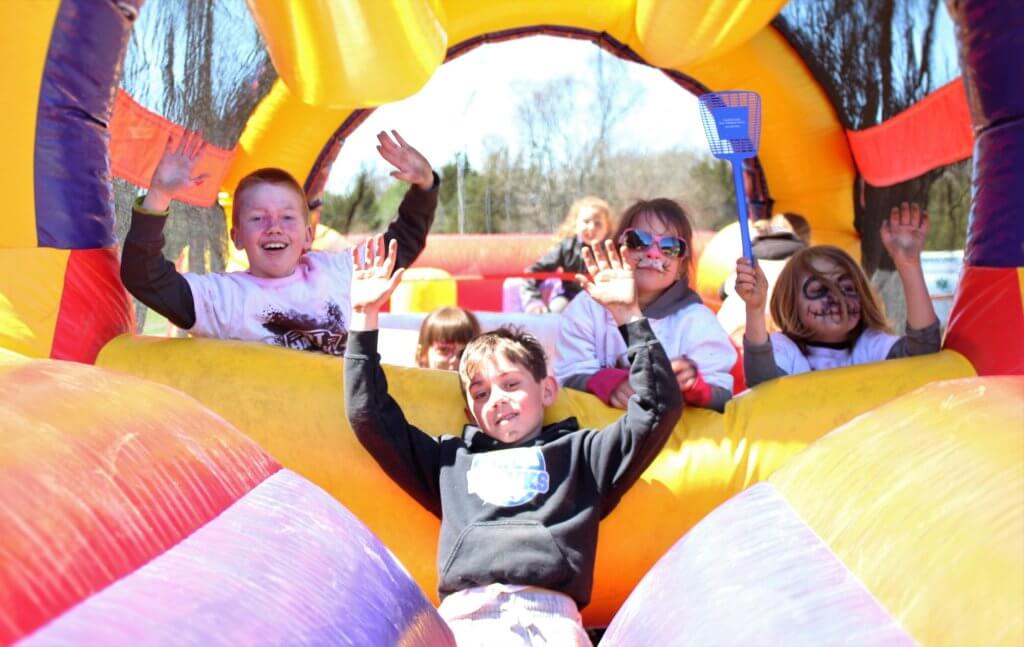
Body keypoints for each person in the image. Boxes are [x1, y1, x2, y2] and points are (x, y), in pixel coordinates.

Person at [344, 234, 682, 645]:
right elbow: (370, 417)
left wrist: (628, 313)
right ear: (470, 413)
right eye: (482, 393)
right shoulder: (449, 462)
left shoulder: (583, 456)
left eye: (510, 384)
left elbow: (659, 407)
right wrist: (364, 316)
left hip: (549, 616)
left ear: (547, 390)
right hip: (466, 618)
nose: (498, 401)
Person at [120, 129, 438, 355]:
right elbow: (144, 277)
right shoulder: (222, 298)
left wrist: (425, 185)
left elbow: (402, 244)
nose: (274, 228)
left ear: (308, 236)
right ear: (238, 237)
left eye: (287, 218)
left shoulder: (339, 273)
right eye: (258, 218)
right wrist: (159, 195)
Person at [556, 198, 737, 412]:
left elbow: (722, 394)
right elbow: (566, 374)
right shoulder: (587, 307)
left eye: (670, 246)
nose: (653, 253)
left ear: (681, 266)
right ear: (617, 249)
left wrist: (696, 389)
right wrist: (604, 381)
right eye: (638, 241)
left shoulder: (698, 321)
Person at [736, 202, 940, 387]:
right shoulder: (785, 349)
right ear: (790, 303)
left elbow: (923, 354)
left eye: (848, 289)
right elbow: (762, 383)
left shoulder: (869, 346)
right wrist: (754, 309)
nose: (837, 298)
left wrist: (909, 265)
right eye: (819, 290)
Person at [716, 212, 811, 344]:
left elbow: (723, 292)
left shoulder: (748, 258)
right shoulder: (804, 266)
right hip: (766, 335)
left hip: (725, 329)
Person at [521, 196, 614, 314]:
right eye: (586, 221)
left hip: (602, 299)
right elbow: (533, 272)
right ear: (576, 224)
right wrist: (533, 301)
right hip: (569, 296)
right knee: (557, 309)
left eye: (598, 224)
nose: (591, 227)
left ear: (608, 228)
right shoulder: (566, 248)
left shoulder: (611, 251)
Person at [416, 306, 482, 370]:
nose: (455, 360)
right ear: (422, 355)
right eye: (444, 349)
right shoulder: (410, 380)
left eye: (466, 353)